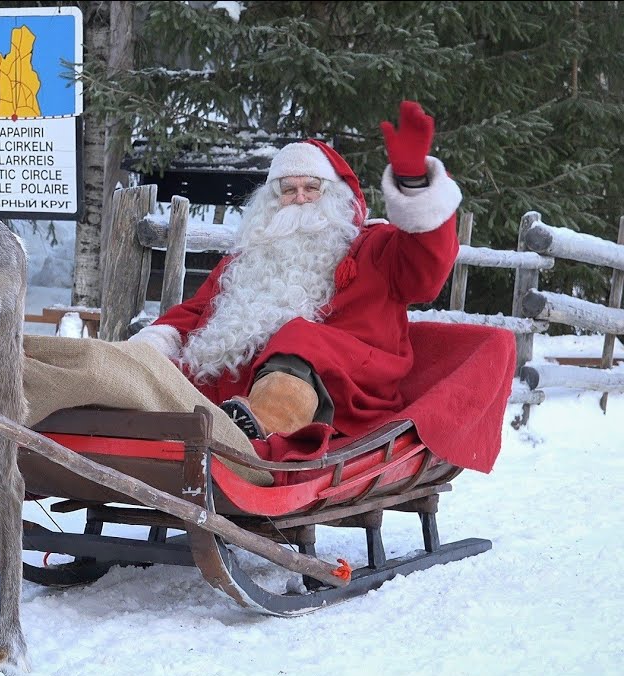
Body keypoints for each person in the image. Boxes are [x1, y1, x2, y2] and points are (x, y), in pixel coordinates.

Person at [129, 100, 464, 441]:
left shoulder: (375, 246)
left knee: (297, 335)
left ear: (334, 194)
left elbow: (426, 270)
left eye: (312, 187)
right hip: (231, 392)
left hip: (344, 390)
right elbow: (195, 312)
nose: (300, 198)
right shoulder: (248, 259)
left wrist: (415, 184)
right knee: (149, 368)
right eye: (288, 190)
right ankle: (107, 398)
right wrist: (148, 348)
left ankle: (258, 425)